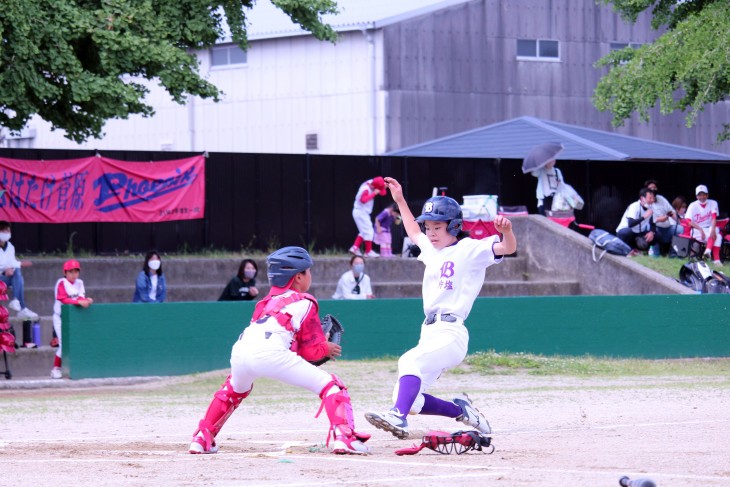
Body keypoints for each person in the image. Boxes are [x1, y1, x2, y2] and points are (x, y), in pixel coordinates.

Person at [364, 177, 516, 440]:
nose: (431, 232)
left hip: (451, 332)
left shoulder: (470, 249)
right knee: (410, 399)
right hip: (429, 331)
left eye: (437, 227)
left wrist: (507, 231)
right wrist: (399, 199)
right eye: (429, 227)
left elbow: (507, 247)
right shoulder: (431, 250)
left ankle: (397, 417)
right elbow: (413, 231)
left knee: (407, 361)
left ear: (454, 226)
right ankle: (461, 411)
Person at [188, 246, 371, 455]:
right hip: (270, 352)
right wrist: (326, 347)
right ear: (298, 277)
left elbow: (291, 347)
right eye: (308, 271)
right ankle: (345, 437)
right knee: (332, 386)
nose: (310, 275)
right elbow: (311, 352)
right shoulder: (306, 301)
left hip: (241, 350)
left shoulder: (264, 303)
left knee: (230, 392)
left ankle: (202, 438)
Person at [51, 259, 93, 379]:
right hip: (60, 317)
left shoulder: (80, 282)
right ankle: (55, 369)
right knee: (64, 344)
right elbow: (63, 299)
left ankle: (73, 368)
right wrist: (79, 302)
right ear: (65, 272)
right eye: (70, 272)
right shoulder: (61, 282)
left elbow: (80, 297)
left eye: (76, 271)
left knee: (75, 343)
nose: (73, 274)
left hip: (73, 318)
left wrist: (86, 301)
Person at [0, 221, 38, 320]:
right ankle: (22, 308)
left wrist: (19, 264)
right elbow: (5, 265)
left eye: (7, 230)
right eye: (3, 230)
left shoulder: (10, 247)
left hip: (5, 278)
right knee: (19, 278)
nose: (6, 232)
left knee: (17, 274)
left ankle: (16, 301)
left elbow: (12, 263)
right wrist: (5, 271)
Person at [349, 176, 387, 258]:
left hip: (360, 212)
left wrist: (384, 185)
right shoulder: (366, 189)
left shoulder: (371, 182)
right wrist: (374, 193)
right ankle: (368, 251)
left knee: (364, 231)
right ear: (374, 187)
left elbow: (376, 182)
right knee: (369, 231)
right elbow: (363, 200)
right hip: (361, 212)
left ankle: (354, 248)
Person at [686, 184, 722, 265]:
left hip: (709, 228)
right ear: (696, 196)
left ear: (707, 195)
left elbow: (714, 217)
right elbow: (688, 221)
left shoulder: (713, 203)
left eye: (704, 194)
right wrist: (700, 229)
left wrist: (712, 229)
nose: (702, 197)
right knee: (718, 236)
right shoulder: (692, 205)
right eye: (699, 195)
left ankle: (708, 251)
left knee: (715, 231)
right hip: (697, 230)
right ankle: (716, 260)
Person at [644, 179, 679, 255]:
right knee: (652, 231)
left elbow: (671, 212)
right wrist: (663, 218)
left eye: (655, 187)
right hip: (655, 229)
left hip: (667, 228)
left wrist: (680, 221)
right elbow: (650, 220)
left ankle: (675, 254)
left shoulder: (661, 198)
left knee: (681, 229)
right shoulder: (646, 202)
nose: (653, 189)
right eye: (651, 188)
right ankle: (655, 254)